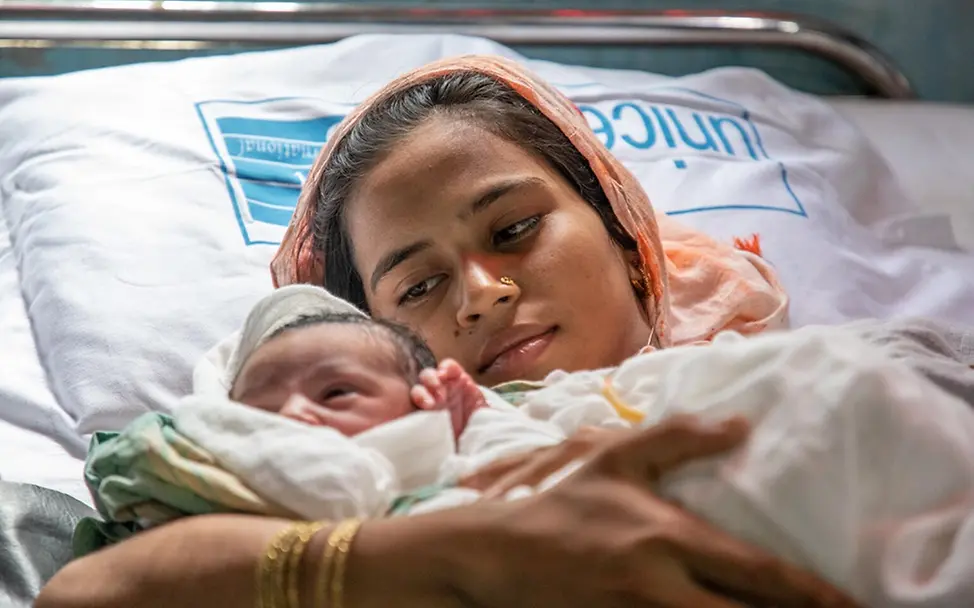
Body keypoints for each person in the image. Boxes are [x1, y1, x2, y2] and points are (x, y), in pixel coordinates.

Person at [37, 56, 857, 608]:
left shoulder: (825, 379)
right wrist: (454, 547)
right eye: (419, 285)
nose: (480, 296)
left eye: (513, 231)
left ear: (623, 231)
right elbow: (88, 591)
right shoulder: (335, 457)